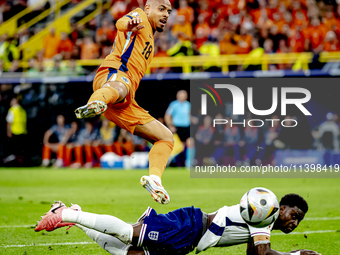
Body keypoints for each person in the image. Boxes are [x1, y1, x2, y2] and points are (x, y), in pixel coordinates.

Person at [74, 0, 174, 204]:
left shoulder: (151, 39)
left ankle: (154, 179)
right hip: (114, 76)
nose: (166, 14)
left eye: (169, 11)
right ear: (148, 8)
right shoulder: (139, 17)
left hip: (123, 102)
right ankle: (95, 102)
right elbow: (121, 22)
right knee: (122, 87)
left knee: (166, 138)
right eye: (161, 9)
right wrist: (129, 24)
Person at [35, 193, 320, 255]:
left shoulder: (263, 225)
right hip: (190, 225)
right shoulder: (265, 213)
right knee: (128, 235)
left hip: (189, 240)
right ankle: (68, 216)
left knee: (130, 254)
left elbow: (256, 254)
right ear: (280, 208)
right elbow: (264, 253)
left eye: (299, 220)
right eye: (293, 215)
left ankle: (71, 212)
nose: (294, 223)